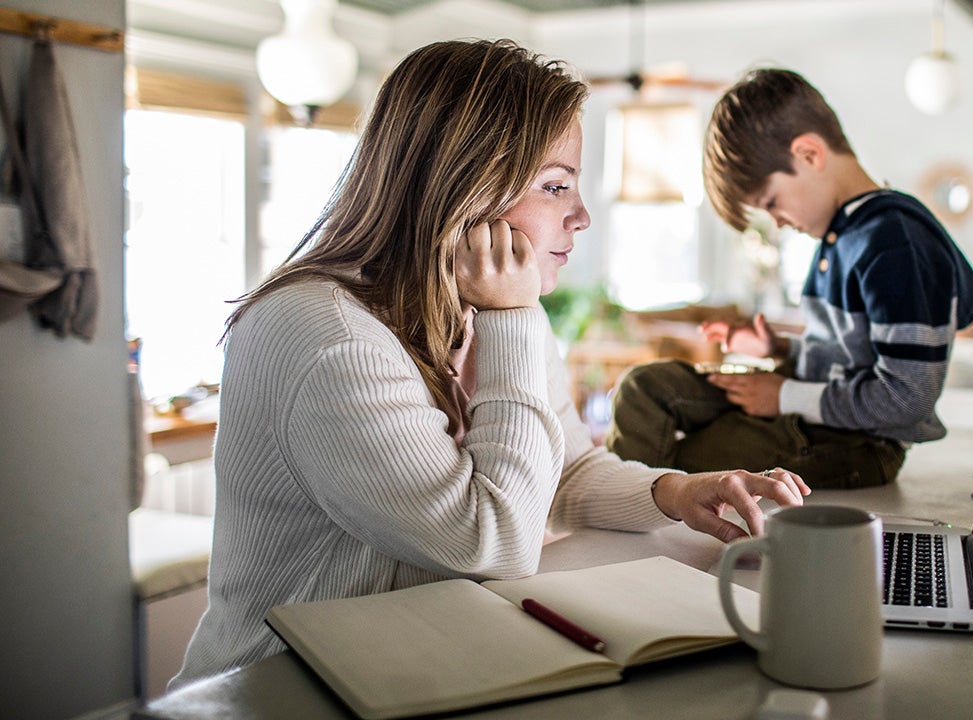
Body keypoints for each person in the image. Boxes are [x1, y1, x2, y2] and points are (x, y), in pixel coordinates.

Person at [170, 40, 809, 690]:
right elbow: (490, 542)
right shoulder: (330, 335)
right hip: (281, 691)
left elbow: (566, 468)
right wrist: (514, 319)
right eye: (556, 186)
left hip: (405, 667)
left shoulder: (478, 307)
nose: (582, 216)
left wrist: (671, 491)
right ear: (464, 186)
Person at [605, 68, 973, 489]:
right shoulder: (843, 235)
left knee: (686, 460)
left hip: (859, 442)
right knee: (644, 389)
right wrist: (779, 347)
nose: (779, 223)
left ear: (809, 155)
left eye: (772, 203)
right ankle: (632, 499)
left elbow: (907, 398)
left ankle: (641, 523)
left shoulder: (897, 242)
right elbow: (849, 354)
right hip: (808, 402)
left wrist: (784, 396)